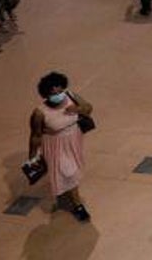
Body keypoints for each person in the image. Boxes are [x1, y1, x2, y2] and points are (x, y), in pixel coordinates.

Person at [28, 72, 93, 221]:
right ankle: (78, 206)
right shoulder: (39, 113)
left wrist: (76, 109)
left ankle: (66, 192)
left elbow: (88, 108)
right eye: (53, 93)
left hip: (74, 140)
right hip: (56, 145)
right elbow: (36, 135)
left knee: (70, 170)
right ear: (45, 94)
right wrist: (32, 157)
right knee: (69, 172)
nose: (58, 95)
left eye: (60, 91)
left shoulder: (70, 96)